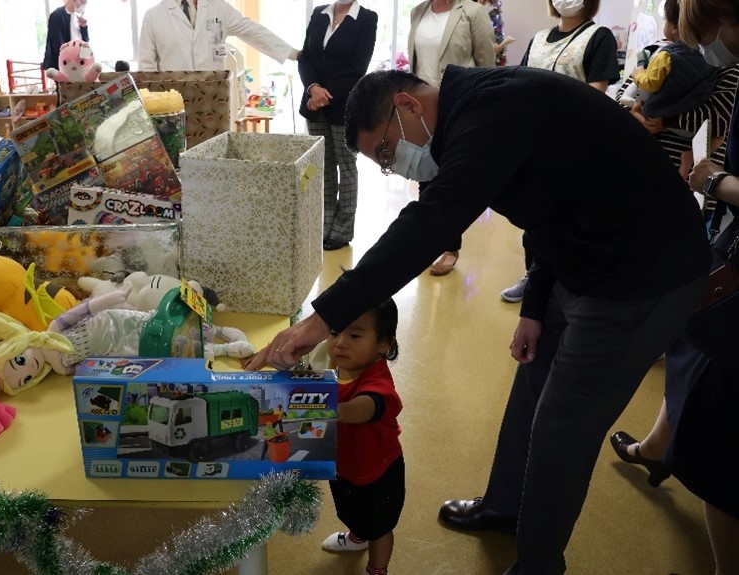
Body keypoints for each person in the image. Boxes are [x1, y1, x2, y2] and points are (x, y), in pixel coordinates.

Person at [244, 66, 711, 574]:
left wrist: (318, 322)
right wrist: (535, 306)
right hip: (576, 259)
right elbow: (548, 208)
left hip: (641, 277)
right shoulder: (473, 114)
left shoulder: (493, 110)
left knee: (563, 430)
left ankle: (537, 566)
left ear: (408, 106)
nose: (394, 167)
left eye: (384, 152)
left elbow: (429, 225)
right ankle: (507, 506)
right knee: (530, 390)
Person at [610, 3, 739, 574]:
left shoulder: (721, 73)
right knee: (689, 345)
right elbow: (638, 97)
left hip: (728, 243)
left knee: (719, 419)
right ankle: (659, 446)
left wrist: (716, 180)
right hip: (722, 241)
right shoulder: (711, 68)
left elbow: (672, 109)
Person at [499, 0, 619, 303]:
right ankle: (533, 280)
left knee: (569, 220)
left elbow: (596, 96)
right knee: (534, 218)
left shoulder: (598, 37)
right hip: (532, 144)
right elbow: (520, 84)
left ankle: (566, 288)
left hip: (575, 146)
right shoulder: (539, 38)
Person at [316, 298, 404, 575]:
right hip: (344, 464)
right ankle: (356, 537)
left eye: (354, 335)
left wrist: (338, 410)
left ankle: (377, 569)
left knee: (380, 528)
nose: (340, 342)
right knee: (350, 509)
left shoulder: (377, 381)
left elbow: (368, 406)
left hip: (378, 471)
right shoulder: (337, 363)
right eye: (334, 332)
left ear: (384, 344)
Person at [407, 0, 495, 276]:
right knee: (424, 174)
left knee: (450, 179)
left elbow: (486, 64)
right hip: (421, 107)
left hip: (458, 105)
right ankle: (426, 242)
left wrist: (483, 109)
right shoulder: (418, 12)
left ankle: (450, 247)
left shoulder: (471, 11)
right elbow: (417, 63)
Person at [298, 1, 377, 252]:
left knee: (346, 165)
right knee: (322, 167)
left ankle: (342, 230)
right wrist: (313, 89)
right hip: (314, 105)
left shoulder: (366, 18)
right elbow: (306, 57)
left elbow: (358, 69)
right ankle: (325, 223)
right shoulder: (319, 14)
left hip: (344, 106)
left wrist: (324, 95)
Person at [618, 0, 719, 142]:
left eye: (665, 19)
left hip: (670, 144)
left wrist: (637, 74)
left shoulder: (666, 55)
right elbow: (619, 101)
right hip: (683, 136)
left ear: (676, 27)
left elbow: (719, 120)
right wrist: (632, 114)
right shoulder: (707, 56)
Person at [138, 0, 300, 72]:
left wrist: (292, 53)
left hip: (214, 96)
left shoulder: (219, 8)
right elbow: (146, 67)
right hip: (172, 101)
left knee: (215, 142)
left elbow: (252, 31)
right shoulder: (153, 16)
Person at [43, 0, 89, 72]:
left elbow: (85, 42)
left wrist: (84, 27)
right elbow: (57, 43)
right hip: (63, 64)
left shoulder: (77, 16)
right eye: (83, 2)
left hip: (77, 63)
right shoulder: (57, 15)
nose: (84, 5)